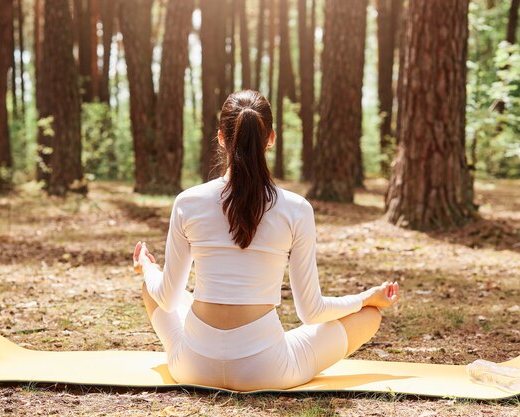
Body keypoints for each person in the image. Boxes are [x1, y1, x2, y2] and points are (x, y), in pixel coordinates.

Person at [132, 90, 399, 391]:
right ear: (270, 138)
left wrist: (146, 267)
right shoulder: (296, 209)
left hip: (193, 366)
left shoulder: (187, 202)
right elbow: (311, 312)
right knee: (369, 316)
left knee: (150, 288)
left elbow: (167, 298)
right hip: (266, 370)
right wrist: (366, 298)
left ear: (221, 137)